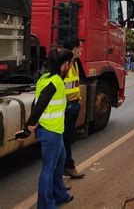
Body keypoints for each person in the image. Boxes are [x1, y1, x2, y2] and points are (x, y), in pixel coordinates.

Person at [15, 48, 74, 208]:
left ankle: (60, 195)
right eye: (70, 63)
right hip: (51, 132)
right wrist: (28, 128)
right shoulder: (55, 81)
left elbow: (36, 102)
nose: (70, 67)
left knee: (60, 162)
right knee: (48, 169)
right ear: (65, 65)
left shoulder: (44, 78)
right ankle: (45, 205)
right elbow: (39, 106)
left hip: (54, 130)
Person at [62, 38, 85, 179]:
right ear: (74, 49)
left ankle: (67, 167)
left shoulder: (74, 63)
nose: (81, 50)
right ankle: (68, 166)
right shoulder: (65, 65)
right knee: (64, 139)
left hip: (73, 104)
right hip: (67, 106)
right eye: (80, 48)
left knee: (67, 138)